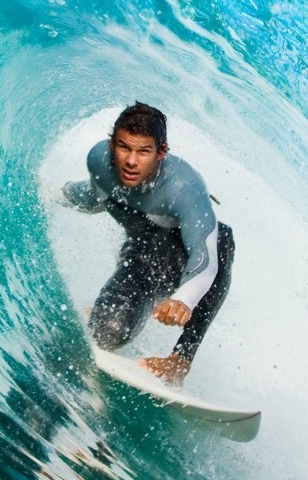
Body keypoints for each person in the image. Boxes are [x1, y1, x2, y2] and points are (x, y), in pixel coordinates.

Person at [58, 102, 234, 387]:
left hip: (183, 265)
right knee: (108, 332)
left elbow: (206, 258)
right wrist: (55, 194)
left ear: (161, 153)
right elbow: (97, 196)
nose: (131, 161)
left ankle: (179, 362)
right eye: (124, 147)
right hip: (141, 259)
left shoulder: (183, 188)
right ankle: (108, 306)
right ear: (111, 142)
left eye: (144, 151)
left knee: (223, 239)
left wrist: (183, 299)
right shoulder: (98, 160)